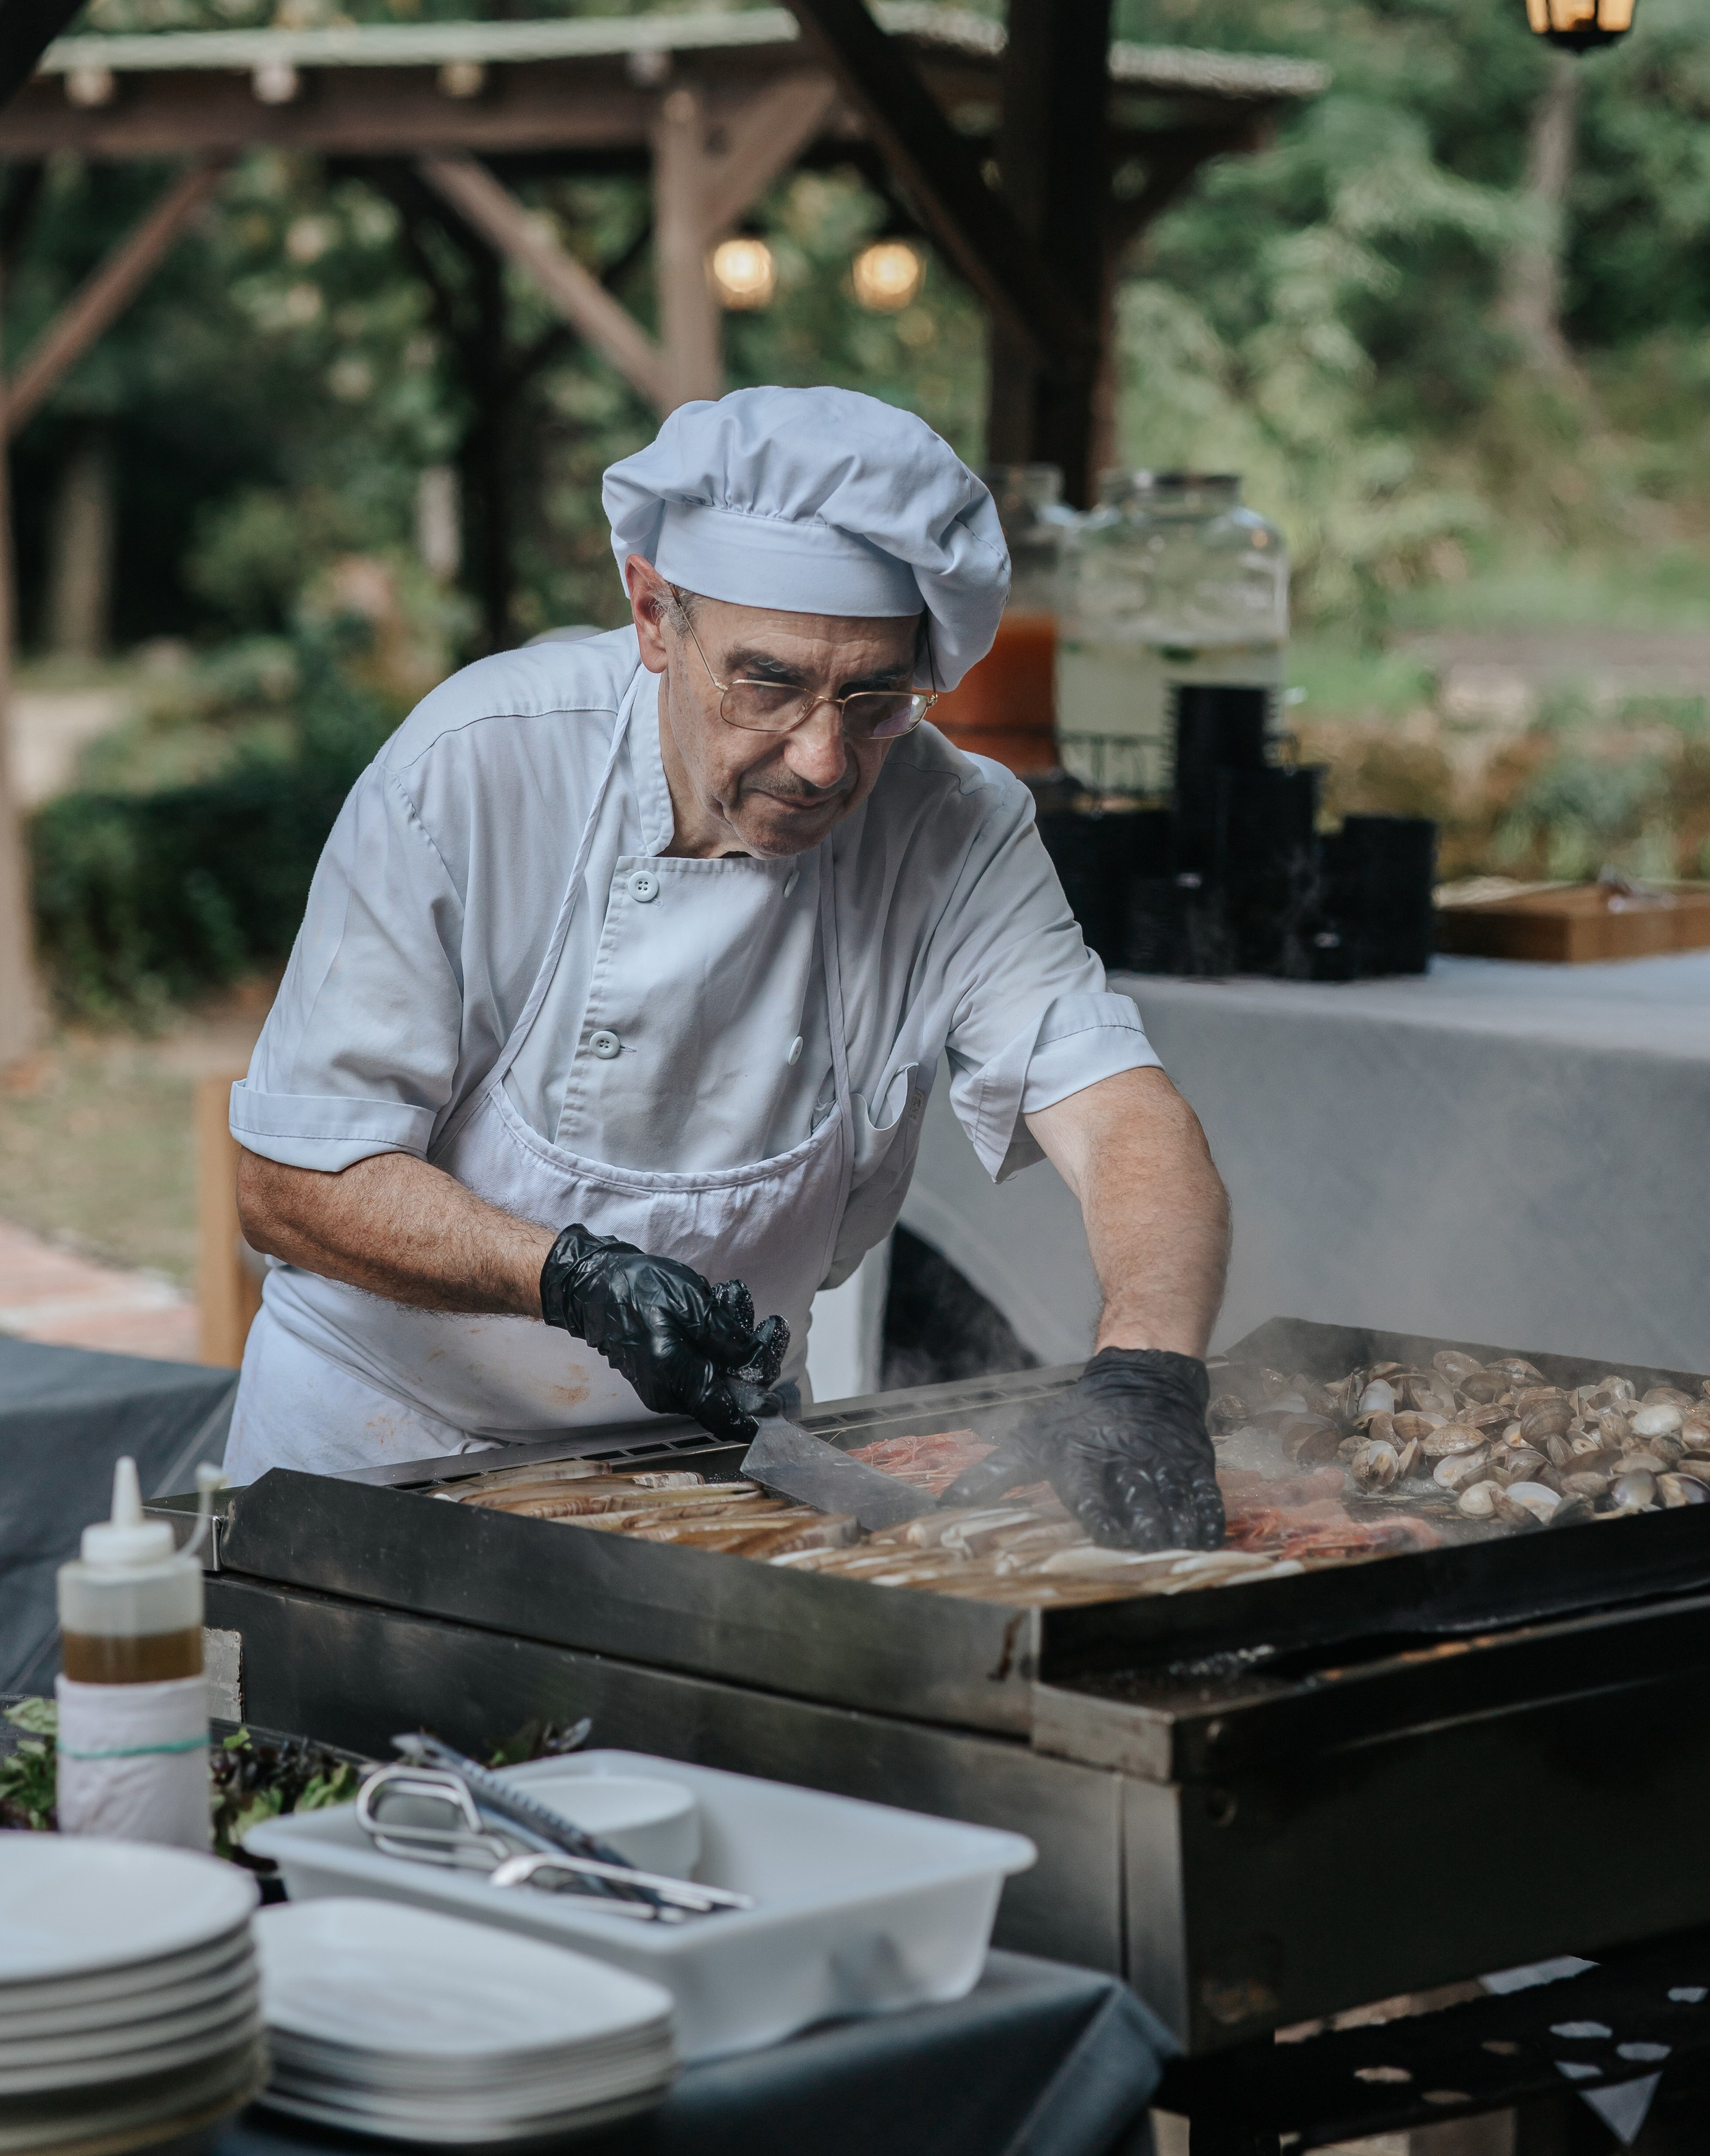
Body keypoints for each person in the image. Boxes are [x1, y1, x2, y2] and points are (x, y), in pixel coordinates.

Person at [226, 386, 1232, 1549]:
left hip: (718, 1474)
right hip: (384, 1451)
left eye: (875, 699)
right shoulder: (476, 769)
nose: (820, 760)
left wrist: (1150, 1366)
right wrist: (571, 1278)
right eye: (768, 683)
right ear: (654, 614)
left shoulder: (951, 821)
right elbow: (293, 1182)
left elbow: (1119, 1113)